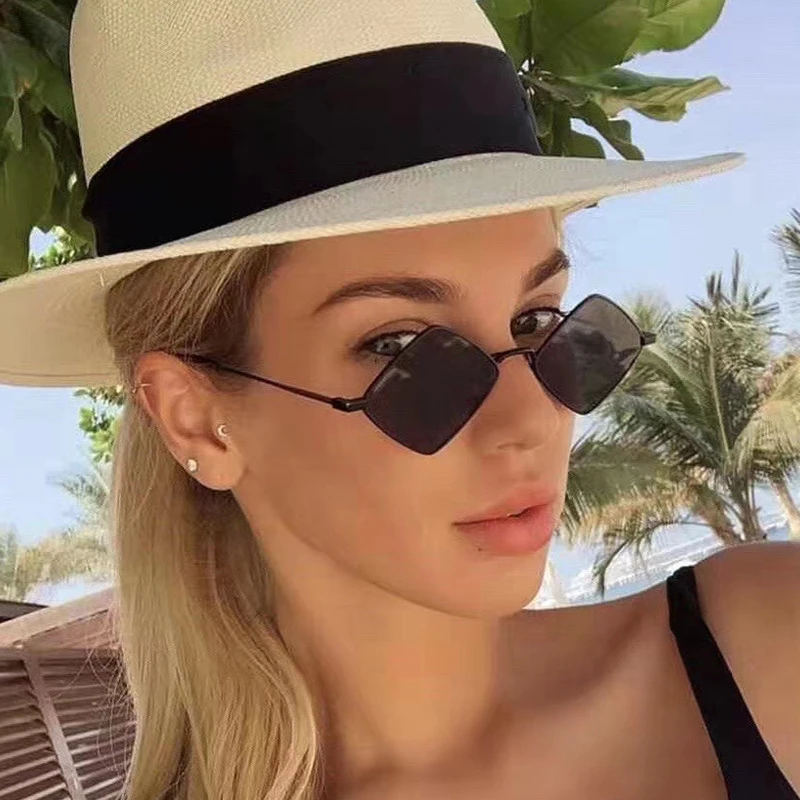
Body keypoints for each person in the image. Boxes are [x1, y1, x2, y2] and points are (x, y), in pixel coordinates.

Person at [0, 0, 797, 798]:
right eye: (401, 348)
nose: (531, 420)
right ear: (194, 419)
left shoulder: (768, 649)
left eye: (537, 322)